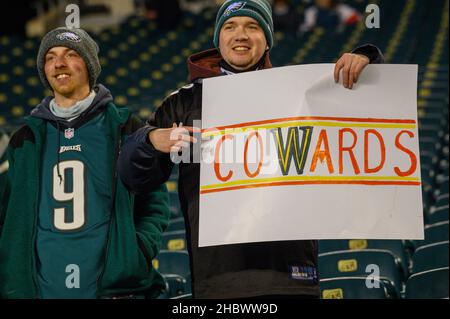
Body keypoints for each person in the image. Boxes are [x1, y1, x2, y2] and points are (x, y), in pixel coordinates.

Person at [118, 0, 384, 298]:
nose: (240, 34)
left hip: (292, 277)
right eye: (230, 26)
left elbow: (367, 126)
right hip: (218, 278)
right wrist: (151, 140)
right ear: (218, 39)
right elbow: (133, 177)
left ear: (267, 39)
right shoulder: (183, 103)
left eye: (252, 26)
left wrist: (367, 60)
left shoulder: (299, 92)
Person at [0, 27, 170, 299]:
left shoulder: (125, 128)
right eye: (50, 57)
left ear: (89, 65)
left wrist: (136, 250)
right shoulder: (24, 140)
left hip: (113, 291)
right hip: (40, 292)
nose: (59, 63)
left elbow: (154, 200)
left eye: (71, 54)